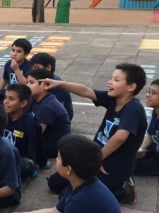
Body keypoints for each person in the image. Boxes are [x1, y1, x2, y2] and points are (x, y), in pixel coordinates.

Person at [43, 63, 147, 203]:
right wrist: (59, 84)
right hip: (96, 155)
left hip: (113, 162)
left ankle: (122, 188)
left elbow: (120, 137)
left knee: (71, 198)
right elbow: (86, 91)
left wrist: (98, 159)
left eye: (116, 80)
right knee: (55, 183)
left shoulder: (133, 108)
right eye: (111, 78)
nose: (109, 82)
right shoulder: (113, 99)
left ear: (131, 87)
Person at [27, 69, 71, 159]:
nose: (27, 85)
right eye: (27, 82)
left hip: (53, 147)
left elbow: (36, 135)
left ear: (44, 85)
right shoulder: (35, 99)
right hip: (45, 140)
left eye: (31, 82)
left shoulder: (47, 106)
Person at [3, 84, 45, 179]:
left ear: (23, 103)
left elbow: (38, 143)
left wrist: (43, 163)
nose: (6, 101)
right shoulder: (1, 117)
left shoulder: (31, 122)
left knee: (27, 166)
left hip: (19, 157)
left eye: (11, 99)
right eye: (5, 98)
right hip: (2, 154)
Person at [29, 52, 74, 120]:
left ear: (48, 67)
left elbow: (58, 110)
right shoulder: (38, 80)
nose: (33, 70)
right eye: (32, 68)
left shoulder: (57, 85)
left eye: (36, 67)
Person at [0, 38, 32, 102]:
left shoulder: (28, 66)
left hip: (21, 95)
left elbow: (26, 84)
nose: (14, 53)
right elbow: (4, 79)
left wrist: (16, 69)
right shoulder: (9, 63)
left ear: (26, 54)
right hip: (9, 92)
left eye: (18, 51)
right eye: (13, 50)